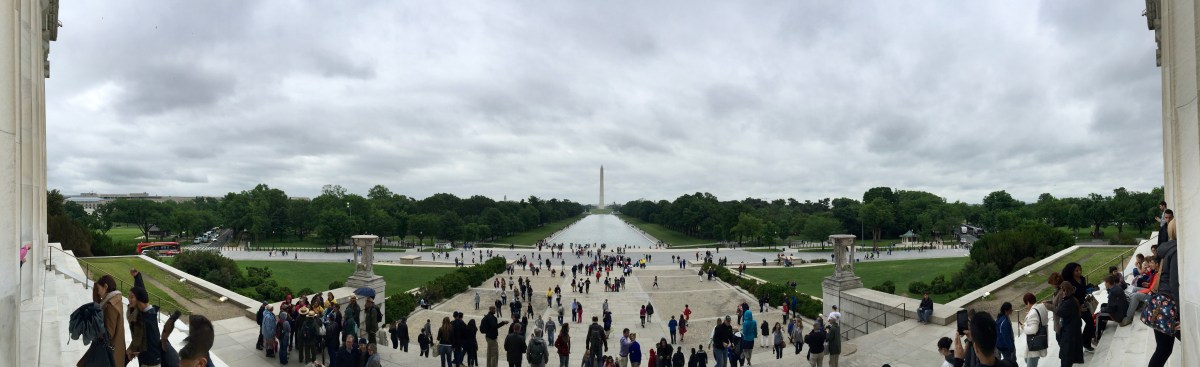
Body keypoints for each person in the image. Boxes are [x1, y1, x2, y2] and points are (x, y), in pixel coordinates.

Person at [1149, 230, 1179, 367]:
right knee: (1163, 350)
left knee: (1163, 349)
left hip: (1161, 301)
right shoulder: (1175, 251)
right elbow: (1174, 284)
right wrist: (1181, 313)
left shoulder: (1166, 249)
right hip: (1168, 304)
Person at [127, 287, 164, 367]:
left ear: (139, 298)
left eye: (132, 297)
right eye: (128, 296)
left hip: (151, 362)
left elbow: (140, 338)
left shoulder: (146, 318)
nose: (129, 299)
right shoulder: (149, 313)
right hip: (148, 358)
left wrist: (131, 349)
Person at [1056, 282, 1084, 366]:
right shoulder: (1072, 299)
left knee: (1066, 359)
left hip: (1068, 334)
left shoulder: (1068, 302)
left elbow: (1060, 312)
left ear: (1065, 290)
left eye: (1062, 290)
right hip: (1071, 332)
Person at [1020, 293, 1048, 367]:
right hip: (1041, 338)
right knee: (1026, 359)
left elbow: (1033, 330)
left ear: (1028, 302)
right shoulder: (1041, 307)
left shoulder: (1033, 313)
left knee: (1031, 364)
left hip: (1034, 343)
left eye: (1026, 304)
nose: (1026, 306)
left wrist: (1023, 327)